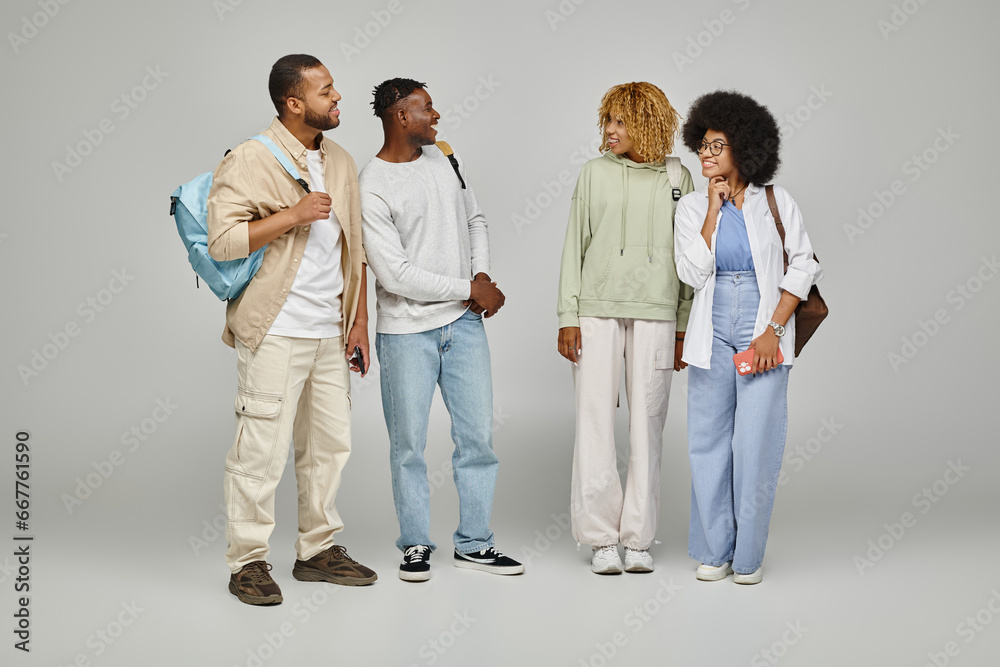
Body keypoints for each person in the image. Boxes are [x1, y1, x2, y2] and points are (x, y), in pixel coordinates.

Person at [207, 54, 377, 605]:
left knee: (329, 447)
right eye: (327, 91)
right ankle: (247, 563)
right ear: (294, 103)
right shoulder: (250, 159)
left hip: (329, 330)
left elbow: (357, 253)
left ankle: (317, 551)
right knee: (259, 451)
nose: (338, 98)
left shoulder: (343, 162)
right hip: (275, 330)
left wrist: (358, 321)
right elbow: (223, 242)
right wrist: (294, 215)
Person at [359, 78, 524, 582]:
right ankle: (415, 545)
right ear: (399, 116)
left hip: (463, 326)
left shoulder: (446, 158)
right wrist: (467, 289)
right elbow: (395, 276)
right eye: (426, 108)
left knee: (477, 440)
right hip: (406, 333)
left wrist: (480, 278)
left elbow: (475, 220)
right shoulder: (371, 185)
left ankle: (475, 543)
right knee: (408, 446)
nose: (437, 114)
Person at [673, 90, 823, 585]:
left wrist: (773, 332)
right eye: (703, 146)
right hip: (711, 325)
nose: (708, 155)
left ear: (745, 147)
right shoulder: (693, 208)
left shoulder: (775, 201)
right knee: (707, 443)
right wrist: (714, 210)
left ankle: (748, 558)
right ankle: (714, 551)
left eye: (718, 145)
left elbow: (804, 263)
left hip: (763, 320)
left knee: (754, 444)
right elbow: (693, 274)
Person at [556, 82, 694, 575]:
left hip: (657, 312)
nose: (609, 131)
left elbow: (690, 259)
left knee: (647, 426)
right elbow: (575, 246)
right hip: (595, 310)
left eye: (620, 122)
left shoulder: (680, 177)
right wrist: (567, 316)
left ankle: (637, 537)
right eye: (607, 121)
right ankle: (600, 538)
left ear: (647, 124)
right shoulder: (593, 174)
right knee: (594, 422)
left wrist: (683, 327)